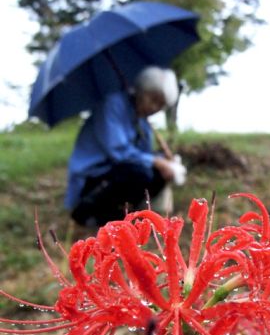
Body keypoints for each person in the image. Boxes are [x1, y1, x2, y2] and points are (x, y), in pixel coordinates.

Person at [65, 66, 186, 227]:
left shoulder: (142, 121)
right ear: (141, 91)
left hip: (118, 173)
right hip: (94, 176)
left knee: (158, 173)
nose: (154, 108)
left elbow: (144, 154)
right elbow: (119, 152)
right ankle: (93, 214)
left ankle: (124, 219)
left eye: (160, 105)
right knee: (140, 173)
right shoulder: (112, 105)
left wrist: (164, 160)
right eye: (153, 99)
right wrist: (157, 161)